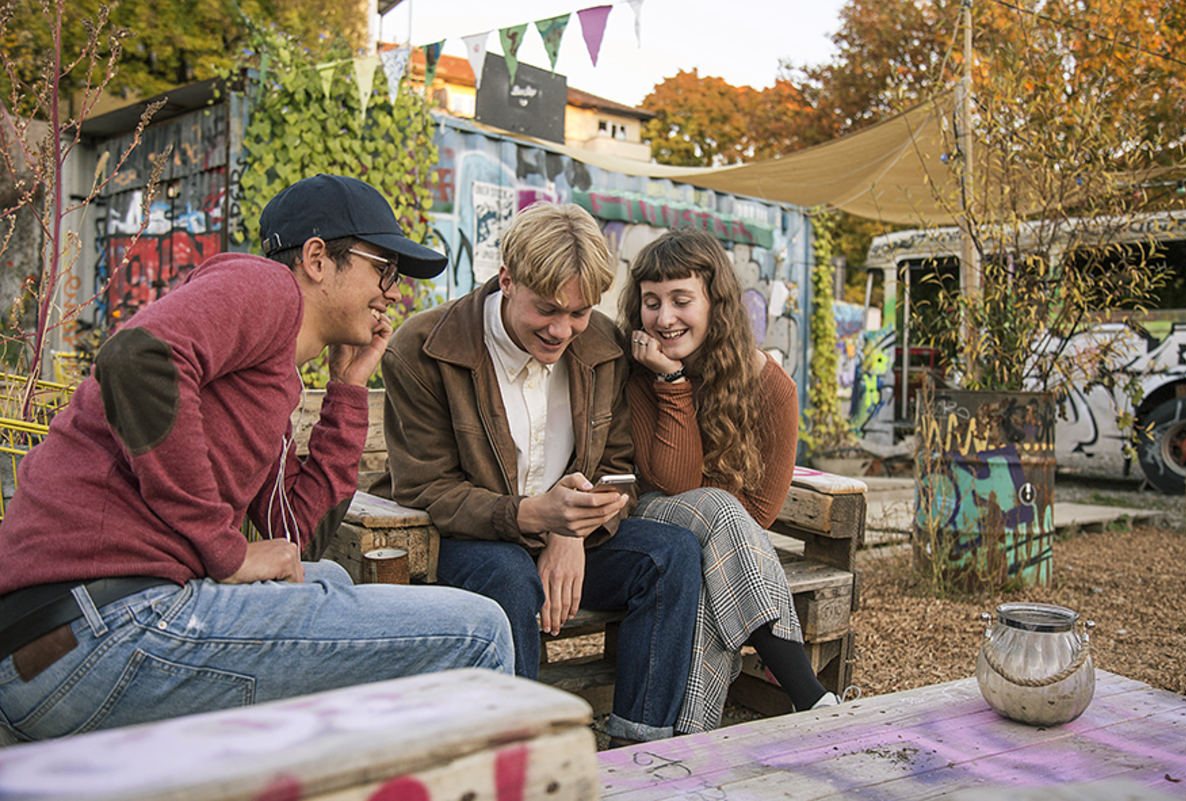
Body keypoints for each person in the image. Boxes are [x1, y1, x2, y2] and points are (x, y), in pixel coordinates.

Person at [0, 174, 514, 742]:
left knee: (329, 575)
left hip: (68, 646)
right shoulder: (267, 286)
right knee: (480, 630)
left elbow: (296, 542)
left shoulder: (262, 378)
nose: (393, 292)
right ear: (318, 258)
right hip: (98, 632)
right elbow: (138, 358)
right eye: (384, 269)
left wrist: (345, 390)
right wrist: (224, 551)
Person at [372, 202, 702, 745]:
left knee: (672, 555)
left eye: (579, 312)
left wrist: (571, 530)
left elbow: (617, 470)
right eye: (548, 309)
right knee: (509, 576)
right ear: (507, 279)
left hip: (566, 538)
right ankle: (523, 760)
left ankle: (640, 748)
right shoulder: (424, 348)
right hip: (462, 540)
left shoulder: (603, 344)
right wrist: (534, 516)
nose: (562, 329)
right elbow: (426, 490)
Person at [620, 228, 839, 735]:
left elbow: (758, 515)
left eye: (681, 300)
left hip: (716, 549)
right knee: (716, 511)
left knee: (703, 574)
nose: (664, 317)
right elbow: (671, 483)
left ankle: (682, 747)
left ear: (716, 302)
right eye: (651, 303)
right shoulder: (636, 373)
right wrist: (670, 381)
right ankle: (809, 696)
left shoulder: (769, 388)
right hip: (645, 523)